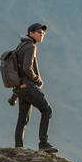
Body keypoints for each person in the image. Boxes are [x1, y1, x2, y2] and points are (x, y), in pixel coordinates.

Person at [13, 22, 57, 153]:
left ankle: (18, 147)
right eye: (39, 32)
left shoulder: (21, 46)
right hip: (28, 87)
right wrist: (37, 79)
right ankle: (43, 143)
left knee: (23, 118)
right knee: (47, 110)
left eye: (43, 33)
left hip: (21, 88)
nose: (42, 34)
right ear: (31, 33)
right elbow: (27, 68)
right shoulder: (30, 47)